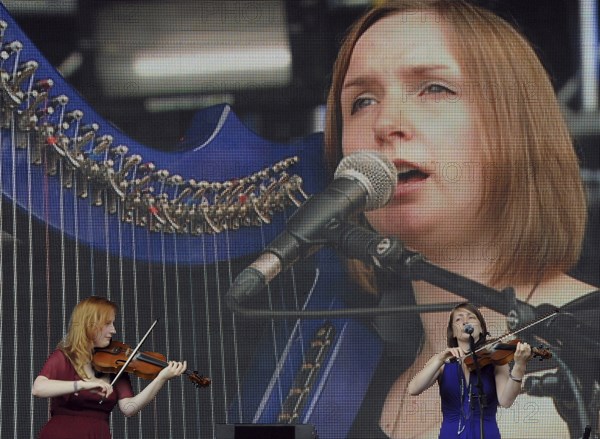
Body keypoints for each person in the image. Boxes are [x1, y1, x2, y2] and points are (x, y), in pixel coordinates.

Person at [323, 0, 598, 437]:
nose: (385, 122)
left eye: (434, 88)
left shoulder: (590, 348)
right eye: (361, 101)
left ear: (517, 127)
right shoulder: (347, 386)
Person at [32, 296, 187, 439]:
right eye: (107, 324)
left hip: (98, 434)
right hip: (62, 434)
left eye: (113, 323)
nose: (113, 330)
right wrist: (83, 384)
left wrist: (161, 378)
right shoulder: (65, 357)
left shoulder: (114, 366)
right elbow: (38, 388)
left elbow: (129, 408)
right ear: (89, 324)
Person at [407, 302, 531, 438]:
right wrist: (439, 359)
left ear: (482, 328)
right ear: (453, 332)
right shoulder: (442, 361)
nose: (465, 321)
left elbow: (506, 401)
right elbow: (413, 389)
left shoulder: (495, 361)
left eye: (471, 317)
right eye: (458, 319)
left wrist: (519, 366)